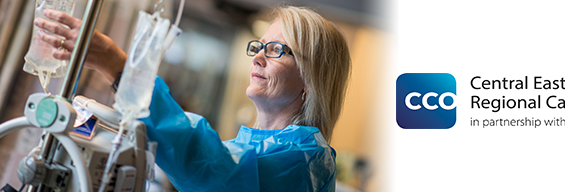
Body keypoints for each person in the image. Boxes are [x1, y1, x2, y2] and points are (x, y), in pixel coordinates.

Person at [34, 6, 351, 192]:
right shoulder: (256, 147)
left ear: (311, 80)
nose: (257, 58)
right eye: (259, 46)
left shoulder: (305, 160)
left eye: (277, 50)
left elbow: (208, 168)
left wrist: (117, 65)